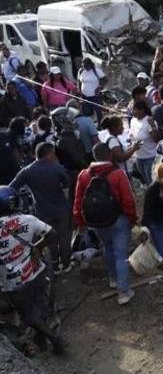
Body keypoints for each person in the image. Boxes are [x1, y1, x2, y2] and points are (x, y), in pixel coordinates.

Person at [0, 186, 64, 354]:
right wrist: (37, 246)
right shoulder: (27, 219)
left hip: (12, 281)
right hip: (36, 270)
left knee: (28, 314)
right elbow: (52, 233)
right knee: (39, 305)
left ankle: (54, 339)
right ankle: (41, 339)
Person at [73, 143, 137, 305]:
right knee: (121, 254)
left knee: (107, 248)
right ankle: (123, 292)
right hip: (118, 219)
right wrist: (132, 219)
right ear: (109, 155)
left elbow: (78, 201)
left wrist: (81, 222)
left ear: (94, 156)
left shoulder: (84, 175)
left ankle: (113, 279)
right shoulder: (118, 174)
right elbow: (128, 199)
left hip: (97, 221)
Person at [10, 142, 72, 274]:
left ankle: (54, 266)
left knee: (50, 239)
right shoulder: (57, 168)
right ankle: (66, 264)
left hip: (43, 211)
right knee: (64, 236)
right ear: (49, 154)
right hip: (62, 209)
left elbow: (11, 188)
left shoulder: (27, 171)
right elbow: (67, 183)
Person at [129, 101, 160, 185]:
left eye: (134, 109)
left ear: (142, 110)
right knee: (146, 181)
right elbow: (131, 135)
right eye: (132, 109)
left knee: (152, 182)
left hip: (150, 157)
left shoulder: (148, 121)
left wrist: (153, 126)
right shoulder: (133, 121)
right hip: (139, 157)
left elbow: (156, 139)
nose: (132, 112)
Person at [77, 58, 106, 122]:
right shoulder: (81, 71)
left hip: (95, 96)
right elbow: (79, 81)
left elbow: (105, 79)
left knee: (98, 111)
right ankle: (88, 125)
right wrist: (79, 89)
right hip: (84, 96)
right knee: (86, 112)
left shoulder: (97, 71)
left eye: (87, 66)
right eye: (84, 66)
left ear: (91, 64)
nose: (85, 67)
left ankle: (100, 125)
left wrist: (99, 87)